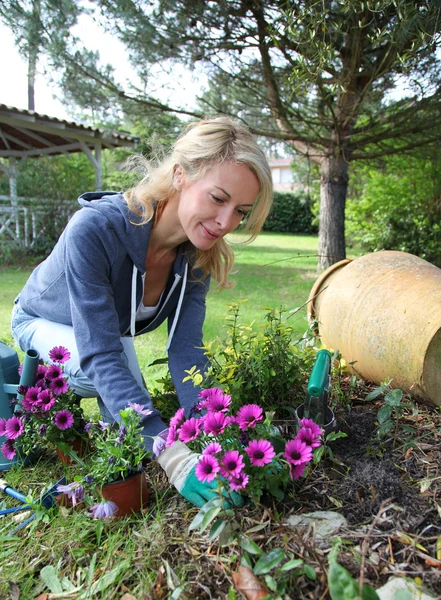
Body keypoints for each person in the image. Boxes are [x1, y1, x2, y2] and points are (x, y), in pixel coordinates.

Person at [11, 116, 273, 506]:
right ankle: (118, 451)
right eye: (218, 199)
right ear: (181, 175)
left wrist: (213, 431)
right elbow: (100, 352)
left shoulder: (198, 256)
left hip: (106, 337)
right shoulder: (95, 230)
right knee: (102, 372)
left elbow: (186, 351)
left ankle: (117, 445)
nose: (225, 223)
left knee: (124, 386)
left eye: (241, 211)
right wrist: (171, 454)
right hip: (44, 324)